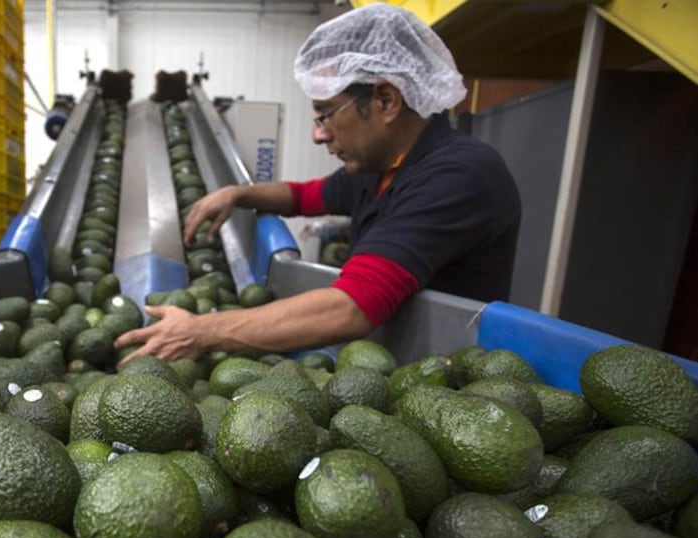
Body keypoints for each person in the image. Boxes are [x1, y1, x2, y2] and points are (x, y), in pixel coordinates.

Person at [116, 4, 521, 364]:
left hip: (443, 387)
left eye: (325, 114)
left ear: (386, 101)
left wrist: (202, 331)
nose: (318, 135)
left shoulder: (458, 176)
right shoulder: (381, 167)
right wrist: (238, 194)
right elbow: (303, 196)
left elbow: (351, 306)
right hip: (383, 367)